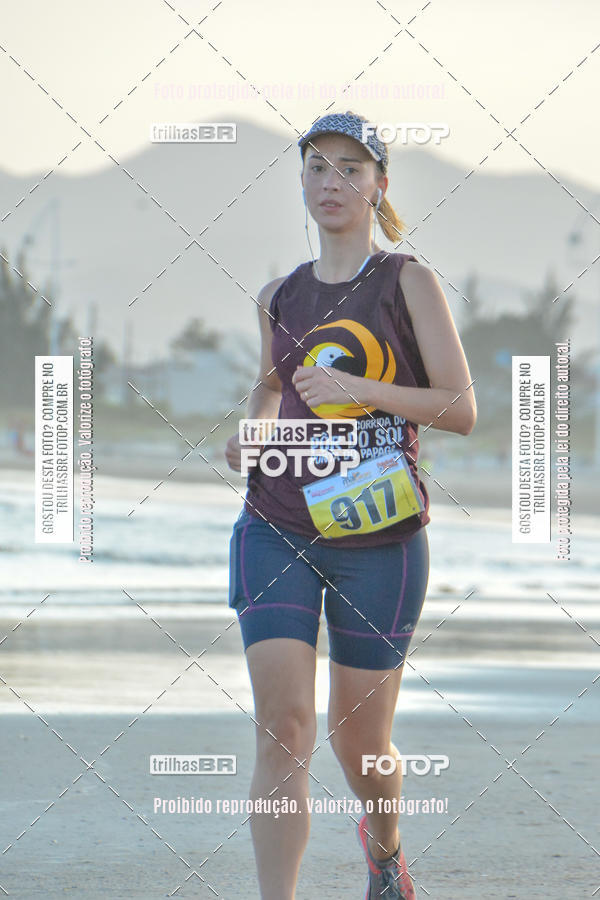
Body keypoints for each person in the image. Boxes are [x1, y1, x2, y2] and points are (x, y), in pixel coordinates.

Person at [224, 110, 476, 900]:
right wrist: (252, 435)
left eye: (350, 169)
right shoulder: (278, 295)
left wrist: (358, 390)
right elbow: (270, 390)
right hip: (275, 526)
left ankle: (386, 851)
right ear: (302, 184)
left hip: (383, 542)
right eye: (317, 168)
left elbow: (460, 408)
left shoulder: (408, 282)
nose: (332, 183)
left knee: (358, 744)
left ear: (379, 186)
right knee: (285, 727)